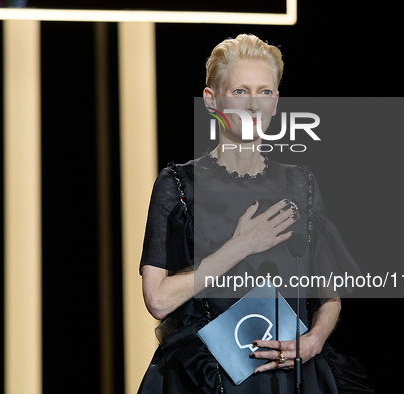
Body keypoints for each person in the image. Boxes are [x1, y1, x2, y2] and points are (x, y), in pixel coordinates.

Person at [138, 34, 373, 393]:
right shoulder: (179, 185)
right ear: (211, 100)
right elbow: (158, 300)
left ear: (276, 101)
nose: (253, 105)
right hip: (210, 378)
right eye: (239, 91)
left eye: (265, 92)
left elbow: (329, 296)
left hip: (293, 374)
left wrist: (313, 341)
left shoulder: (301, 183)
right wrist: (240, 245)